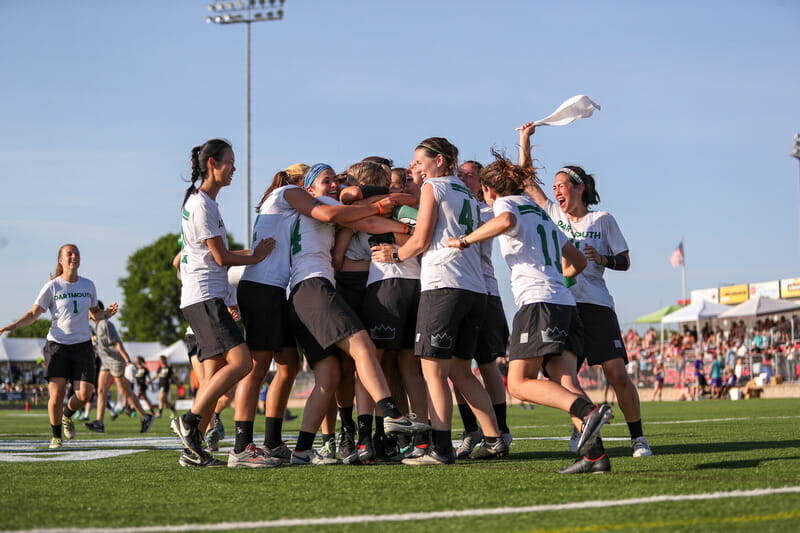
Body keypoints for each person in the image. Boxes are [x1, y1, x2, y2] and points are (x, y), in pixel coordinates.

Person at [443, 150, 613, 474]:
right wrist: (557, 280)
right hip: (564, 303)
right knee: (565, 380)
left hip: (538, 303)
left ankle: (587, 412)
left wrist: (463, 241)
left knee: (518, 385)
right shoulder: (539, 210)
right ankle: (595, 456)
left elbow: (504, 220)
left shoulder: (506, 204)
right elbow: (577, 262)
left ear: (489, 192)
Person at [519, 122, 652, 458]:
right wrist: (525, 141)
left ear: (578, 188)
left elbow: (625, 261)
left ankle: (638, 438)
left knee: (616, 373)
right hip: (562, 304)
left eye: (562, 186)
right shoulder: (550, 212)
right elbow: (525, 181)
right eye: (554, 187)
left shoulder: (602, 219)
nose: (556, 192)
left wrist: (603, 258)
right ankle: (589, 437)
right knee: (566, 379)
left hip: (596, 305)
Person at [372, 138, 507, 465]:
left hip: (444, 285)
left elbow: (420, 239)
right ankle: (494, 439)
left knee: (433, 370)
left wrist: (395, 254)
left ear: (441, 162)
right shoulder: (466, 192)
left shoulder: (434, 186)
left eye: (420, 161)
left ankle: (441, 447)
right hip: (475, 289)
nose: (414, 168)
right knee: (461, 370)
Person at [287, 163, 429, 465]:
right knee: (366, 356)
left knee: (345, 368)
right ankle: (373, 429)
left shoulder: (337, 206)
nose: (338, 186)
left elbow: (343, 246)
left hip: (336, 285)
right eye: (330, 181)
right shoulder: (335, 205)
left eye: (341, 181)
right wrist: (390, 208)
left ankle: (345, 439)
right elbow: (354, 222)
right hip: (338, 286)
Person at [171, 138, 277, 468]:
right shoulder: (202, 204)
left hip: (203, 296)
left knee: (217, 373)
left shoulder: (199, 200)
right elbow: (219, 258)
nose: (235, 168)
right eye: (230, 162)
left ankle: (194, 449)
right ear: (213, 164)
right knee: (243, 362)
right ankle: (188, 422)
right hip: (204, 296)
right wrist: (256, 255)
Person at [0, 244, 113, 449]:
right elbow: (35, 313)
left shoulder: (88, 285)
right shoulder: (52, 286)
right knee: (57, 393)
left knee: (85, 394)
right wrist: (15, 325)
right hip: (57, 346)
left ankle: (67, 414)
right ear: (61, 260)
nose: (73, 256)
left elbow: (94, 313)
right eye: (69, 253)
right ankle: (56, 436)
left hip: (83, 346)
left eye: (76, 253)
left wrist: (105, 315)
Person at [84, 301, 154, 433]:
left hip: (116, 362)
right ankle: (99, 422)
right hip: (106, 363)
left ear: (96, 310)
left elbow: (117, 344)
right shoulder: (97, 326)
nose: (87, 313)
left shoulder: (105, 324)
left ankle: (145, 417)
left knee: (125, 392)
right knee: (101, 391)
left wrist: (127, 360)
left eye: (89, 310)